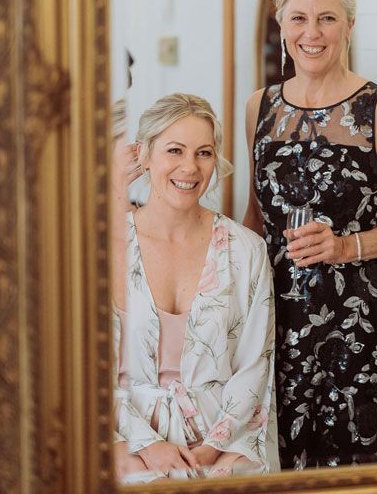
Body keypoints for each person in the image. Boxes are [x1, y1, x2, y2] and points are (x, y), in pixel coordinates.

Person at [243, 0, 377, 469]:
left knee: (353, 464)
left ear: (350, 26)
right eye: (299, 18)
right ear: (281, 25)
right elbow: (254, 216)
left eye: (327, 19)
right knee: (278, 458)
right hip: (274, 317)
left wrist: (344, 247)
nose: (312, 33)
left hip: (355, 323)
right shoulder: (258, 107)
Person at [111, 93, 279, 482]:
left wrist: (212, 446)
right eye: (174, 150)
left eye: (204, 153)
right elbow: (88, 370)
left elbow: (255, 366)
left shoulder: (246, 250)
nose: (190, 167)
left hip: (224, 436)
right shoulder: (110, 247)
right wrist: (147, 445)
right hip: (128, 432)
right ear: (145, 155)